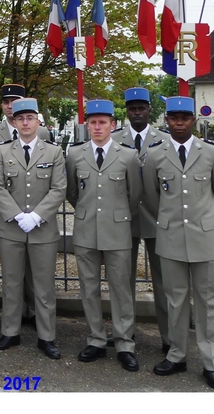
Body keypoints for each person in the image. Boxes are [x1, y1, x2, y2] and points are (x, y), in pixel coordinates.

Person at [143, 97, 214, 390]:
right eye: (174, 118)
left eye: (185, 118)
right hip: (171, 239)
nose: (179, 123)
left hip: (205, 237)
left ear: (193, 120)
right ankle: (177, 355)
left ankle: (211, 363)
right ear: (166, 120)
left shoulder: (212, 152)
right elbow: (152, 197)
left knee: (207, 302)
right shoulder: (155, 155)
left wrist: (201, 218)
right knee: (175, 301)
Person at [65, 99, 142, 372]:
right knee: (89, 288)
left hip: (117, 231)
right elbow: (72, 192)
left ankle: (124, 344)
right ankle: (96, 339)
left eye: (103, 122)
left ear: (113, 124)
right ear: (87, 125)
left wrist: (116, 214)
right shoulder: (75, 154)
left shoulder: (128, 156)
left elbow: (135, 195)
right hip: (86, 230)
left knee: (121, 290)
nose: (97, 127)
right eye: (93, 122)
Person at [0, 97, 65, 359]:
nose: (24, 122)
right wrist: (16, 215)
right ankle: (10, 332)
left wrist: (37, 216)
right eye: (19, 118)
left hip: (42, 229)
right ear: (14, 122)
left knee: (43, 286)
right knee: (11, 283)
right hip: (11, 228)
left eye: (29, 118)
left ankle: (47, 336)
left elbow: (59, 189)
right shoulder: (3, 151)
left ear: (37, 121)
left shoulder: (53, 152)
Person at [0, 83, 50, 325]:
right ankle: (14, 320)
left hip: (38, 215)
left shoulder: (43, 135)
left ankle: (34, 313)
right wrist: (12, 212)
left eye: (15, 101)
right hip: (7, 214)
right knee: (12, 273)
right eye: (6, 102)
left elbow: (57, 183)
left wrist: (37, 214)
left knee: (37, 273)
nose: (10, 106)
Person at [115, 86, 169, 353]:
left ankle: (170, 338)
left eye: (141, 108)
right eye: (132, 109)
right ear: (127, 112)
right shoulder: (115, 139)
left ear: (149, 110)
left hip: (157, 218)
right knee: (123, 281)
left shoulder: (165, 139)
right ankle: (125, 335)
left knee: (164, 281)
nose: (137, 113)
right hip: (124, 218)